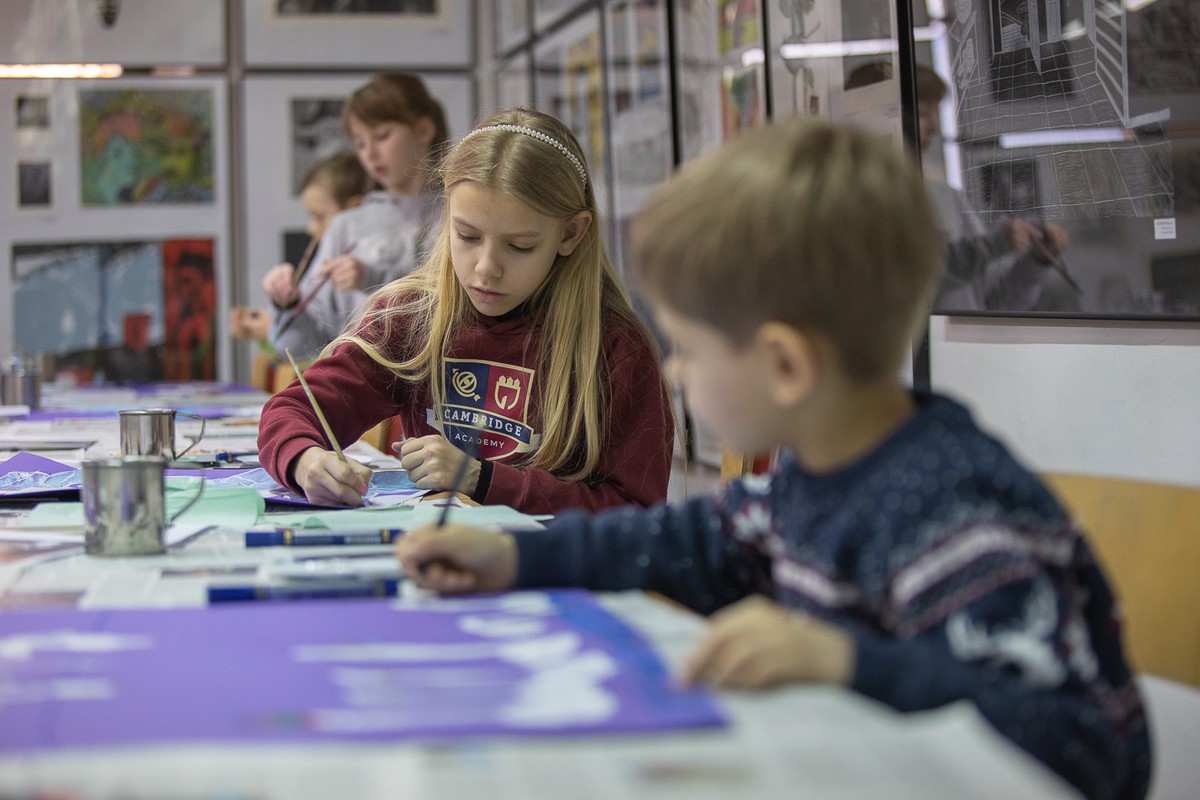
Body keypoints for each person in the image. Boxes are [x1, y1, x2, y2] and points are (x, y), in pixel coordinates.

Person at [395, 119, 1152, 799]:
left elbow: (1078, 746)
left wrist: (844, 662)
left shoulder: (946, 507)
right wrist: (512, 560)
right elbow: (685, 540)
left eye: (689, 347)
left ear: (785, 366)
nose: (675, 373)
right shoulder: (814, 473)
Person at [257, 109, 675, 515]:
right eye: (467, 236)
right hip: (436, 567)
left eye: (520, 246)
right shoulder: (413, 317)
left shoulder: (616, 348)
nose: (485, 268)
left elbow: (637, 513)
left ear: (570, 234)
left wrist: (481, 478)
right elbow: (291, 411)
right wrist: (305, 461)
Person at [266, 72, 449, 361]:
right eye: (360, 143)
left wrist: (373, 277)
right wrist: (288, 304)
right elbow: (299, 345)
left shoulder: (457, 215)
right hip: (360, 391)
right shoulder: (347, 226)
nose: (370, 154)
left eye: (381, 136)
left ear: (424, 129)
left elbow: (456, 311)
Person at [914, 65, 1078, 312]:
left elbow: (998, 302)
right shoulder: (864, 203)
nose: (935, 128)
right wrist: (992, 247)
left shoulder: (949, 199)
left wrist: (1036, 261)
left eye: (935, 114)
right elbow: (906, 284)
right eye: (922, 113)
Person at [230, 150, 372, 350]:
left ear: (354, 209)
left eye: (319, 217)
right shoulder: (328, 258)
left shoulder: (375, 260)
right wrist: (286, 305)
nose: (310, 228)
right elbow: (306, 338)